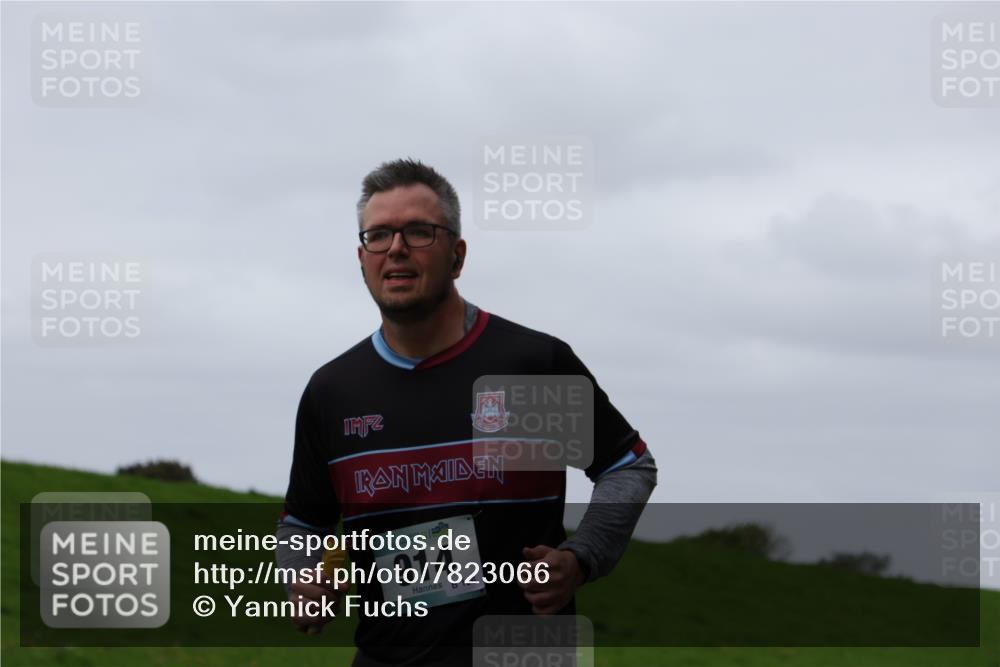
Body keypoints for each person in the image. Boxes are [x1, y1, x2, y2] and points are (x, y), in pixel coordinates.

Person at [275, 159, 657, 666]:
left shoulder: (529, 366)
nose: (396, 248)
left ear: (457, 256)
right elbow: (303, 524)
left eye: (418, 232)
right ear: (362, 258)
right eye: (379, 235)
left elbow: (627, 467)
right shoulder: (333, 392)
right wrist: (302, 578)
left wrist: (581, 557)